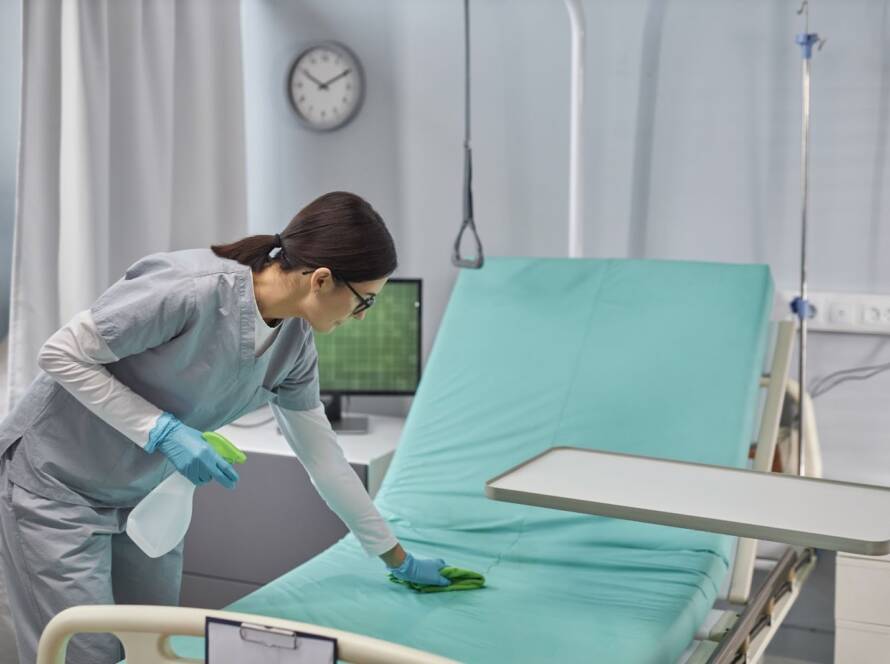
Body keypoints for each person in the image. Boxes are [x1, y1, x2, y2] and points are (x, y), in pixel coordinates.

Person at [0, 191, 450, 663]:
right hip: (57, 486)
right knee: (87, 652)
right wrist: (161, 430)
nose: (359, 318)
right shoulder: (190, 289)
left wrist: (396, 558)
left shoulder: (294, 345)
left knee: (151, 647)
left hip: (141, 498)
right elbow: (59, 353)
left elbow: (325, 462)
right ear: (321, 280)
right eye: (364, 303)